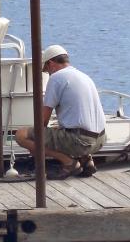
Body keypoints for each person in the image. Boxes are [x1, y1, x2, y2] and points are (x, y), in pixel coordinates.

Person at [15, 45, 106, 178]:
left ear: (51, 64)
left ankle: (69, 163)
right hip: (100, 139)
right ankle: (87, 161)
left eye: (46, 70)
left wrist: (36, 147)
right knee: (62, 129)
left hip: (82, 142)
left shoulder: (56, 78)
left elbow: (43, 120)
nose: (48, 74)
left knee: (21, 135)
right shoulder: (83, 76)